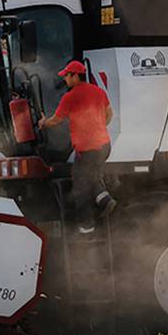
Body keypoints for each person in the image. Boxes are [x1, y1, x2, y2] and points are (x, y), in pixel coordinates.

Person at [38, 60, 117, 234]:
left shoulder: (70, 96)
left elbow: (56, 119)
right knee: (91, 174)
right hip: (105, 146)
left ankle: (86, 226)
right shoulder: (98, 92)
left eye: (67, 75)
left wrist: (44, 123)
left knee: (81, 185)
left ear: (75, 76)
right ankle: (104, 198)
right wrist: (101, 126)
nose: (65, 79)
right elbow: (109, 113)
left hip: (88, 149)